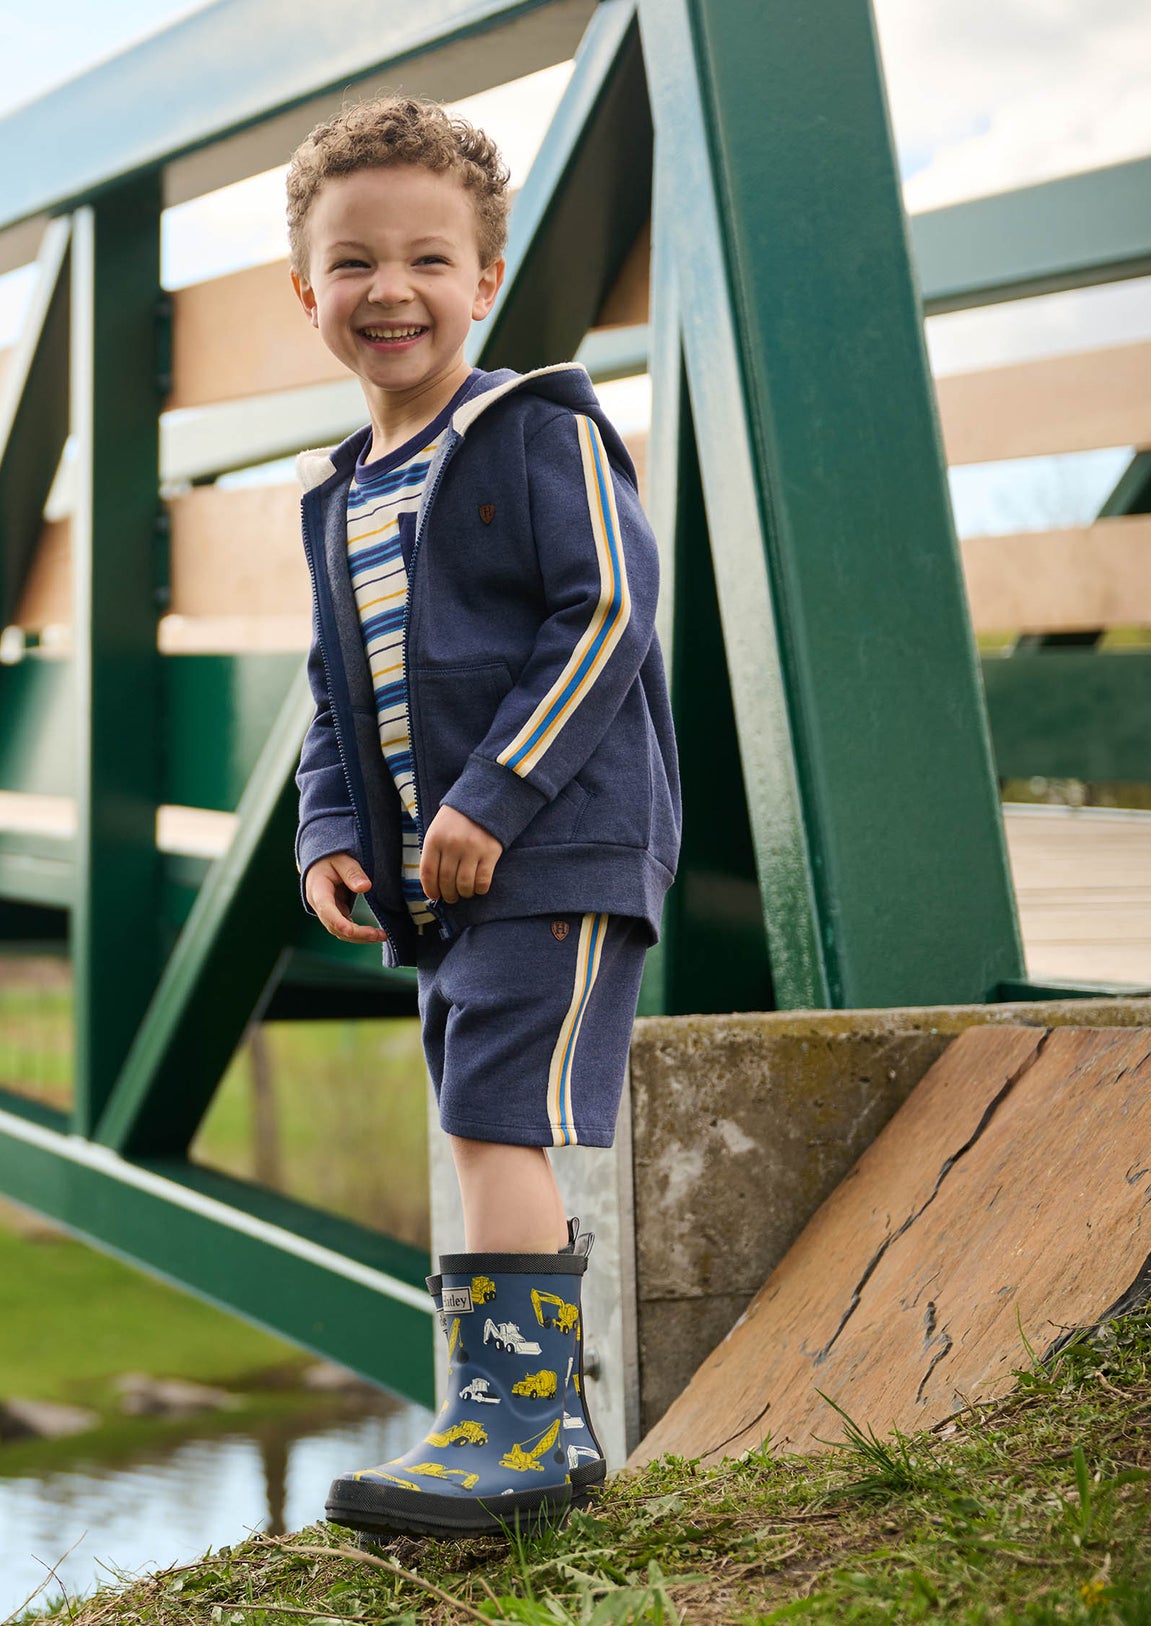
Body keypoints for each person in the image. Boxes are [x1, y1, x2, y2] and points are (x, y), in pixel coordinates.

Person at [285, 94, 680, 1539]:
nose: (390, 288)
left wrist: (495, 793)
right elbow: (336, 695)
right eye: (354, 261)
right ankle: (521, 1422)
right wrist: (330, 830)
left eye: (429, 259)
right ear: (306, 290)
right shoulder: (334, 498)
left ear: (484, 281)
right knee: (472, 1119)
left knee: (495, 1109)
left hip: (556, 841)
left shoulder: (535, 431)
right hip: (440, 874)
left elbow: (613, 612)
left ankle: (516, 1429)